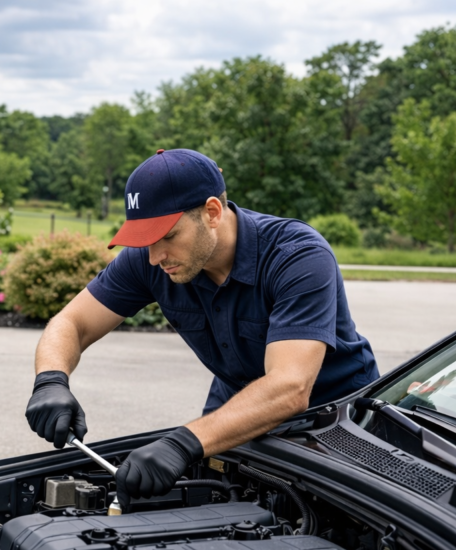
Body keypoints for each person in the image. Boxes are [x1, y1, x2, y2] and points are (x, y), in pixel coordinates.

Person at [25, 148, 378, 500]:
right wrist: (51, 380)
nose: (154, 256)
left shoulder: (296, 256)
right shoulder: (151, 259)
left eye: (168, 235)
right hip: (235, 417)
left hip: (340, 428)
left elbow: (289, 387)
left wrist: (183, 443)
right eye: (145, 239)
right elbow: (72, 322)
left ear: (212, 212)